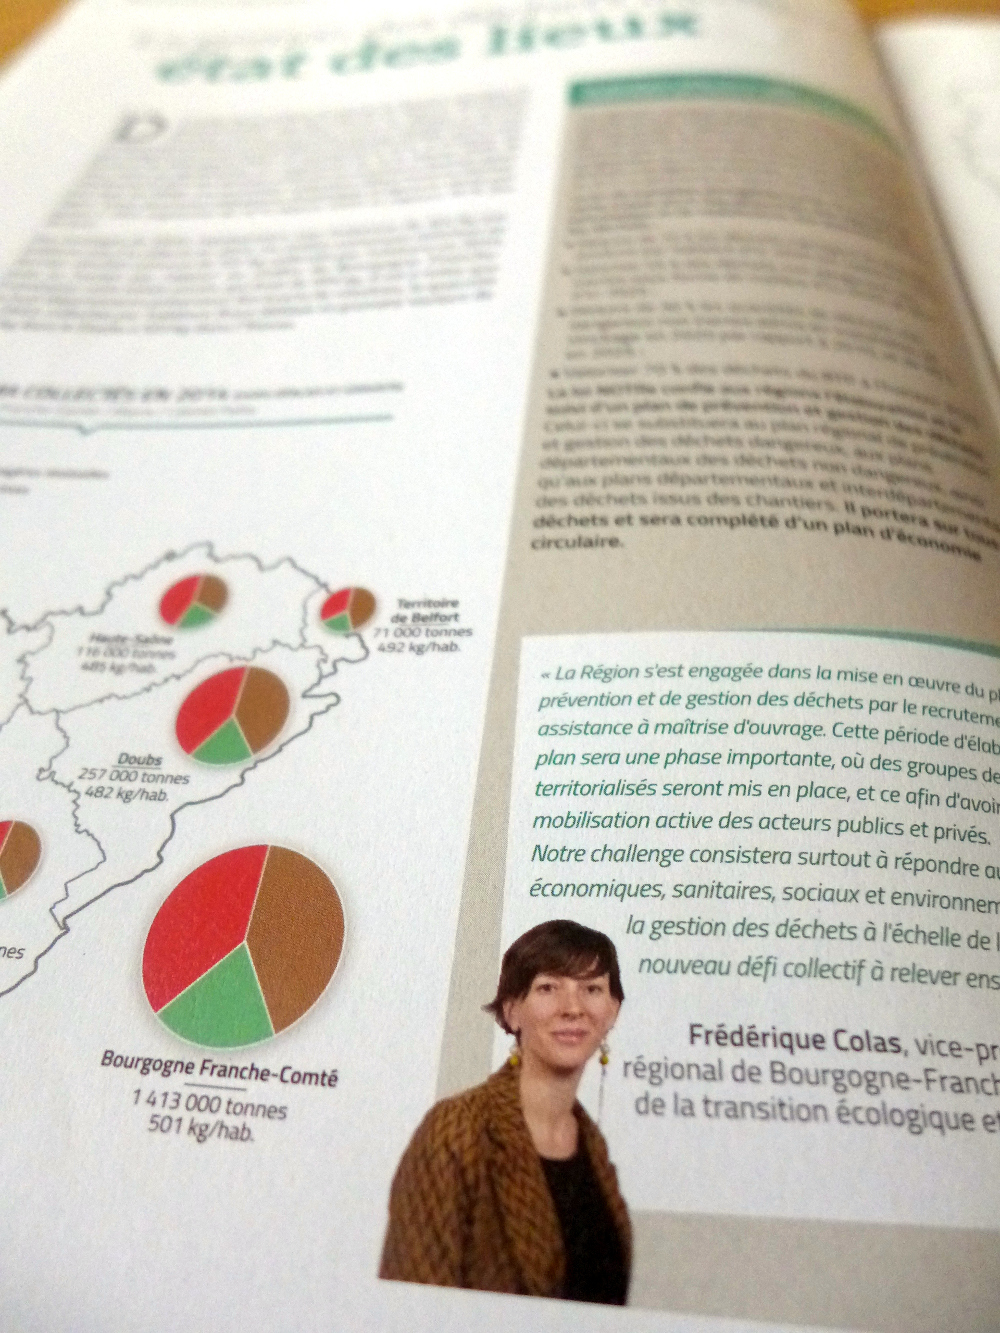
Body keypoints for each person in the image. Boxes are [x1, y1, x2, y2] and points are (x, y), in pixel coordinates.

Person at [379, 919, 630, 1304]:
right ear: (512, 1011)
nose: (573, 1008)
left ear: (612, 1011)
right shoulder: (455, 1130)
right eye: (548, 988)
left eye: (592, 989)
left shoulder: (592, 1145)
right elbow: (410, 1308)